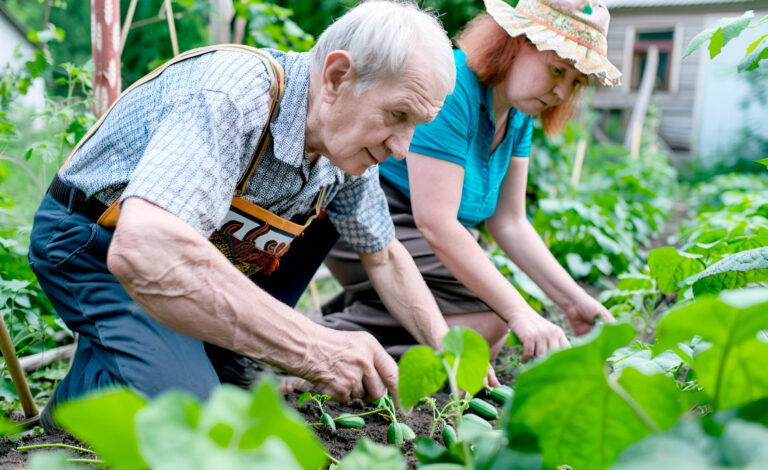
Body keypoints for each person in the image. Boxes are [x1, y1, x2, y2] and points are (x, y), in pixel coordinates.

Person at [28, 0, 457, 429]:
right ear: (337, 77)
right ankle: (84, 397)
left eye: (415, 125)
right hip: (95, 242)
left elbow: (382, 253)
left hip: (194, 256)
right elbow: (146, 248)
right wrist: (312, 347)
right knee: (193, 420)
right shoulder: (232, 95)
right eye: (398, 115)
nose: (402, 147)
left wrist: (449, 351)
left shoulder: (345, 148)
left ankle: (212, 360)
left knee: (332, 218)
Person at [317, 0, 620, 369]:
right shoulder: (454, 86)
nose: (561, 93)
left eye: (575, 84)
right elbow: (437, 223)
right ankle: (323, 341)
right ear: (517, 41)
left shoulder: (518, 114)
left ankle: (351, 335)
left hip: (423, 237)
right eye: (558, 70)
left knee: (485, 331)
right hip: (373, 222)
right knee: (497, 318)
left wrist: (574, 301)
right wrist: (520, 311)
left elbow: (509, 222)